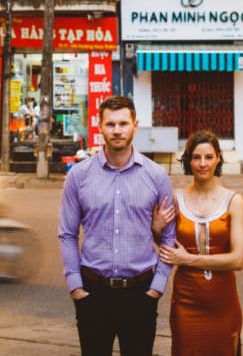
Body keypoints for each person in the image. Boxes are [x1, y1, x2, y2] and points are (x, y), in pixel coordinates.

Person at [58, 95, 176, 356]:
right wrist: (76, 287)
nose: (117, 130)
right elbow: (67, 234)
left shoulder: (156, 176)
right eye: (110, 124)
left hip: (140, 294)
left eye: (123, 123)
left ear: (136, 125)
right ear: (99, 126)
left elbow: (170, 237)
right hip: (93, 292)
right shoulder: (79, 176)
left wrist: (157, 287)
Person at [152, 130, 243, 356]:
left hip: (223, 301)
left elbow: (238, 259)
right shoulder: (175, 198)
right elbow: (166, 246)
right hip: (186, 301)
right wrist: (156, 229)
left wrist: (189, 259)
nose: (202, 164)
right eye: (196, 157)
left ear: (218, 159)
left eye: (208, 157)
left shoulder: (233, 201)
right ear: (188, 161)